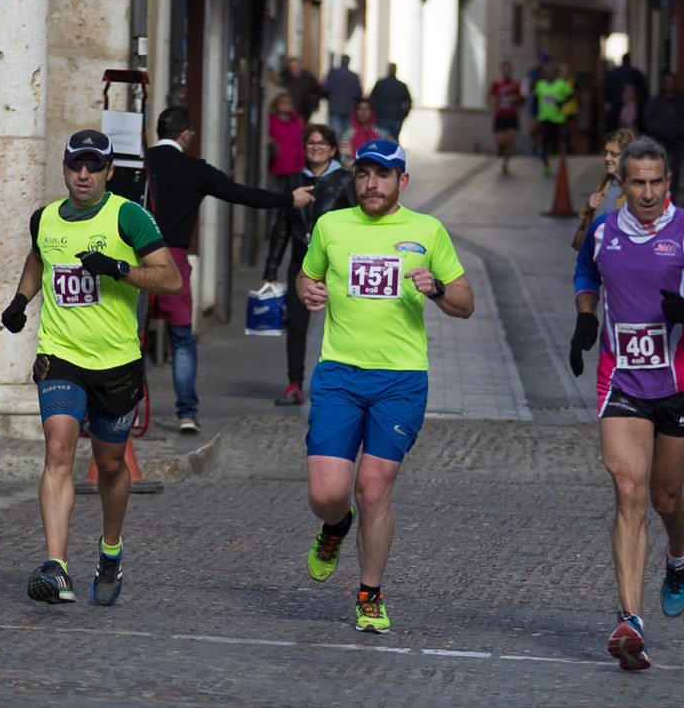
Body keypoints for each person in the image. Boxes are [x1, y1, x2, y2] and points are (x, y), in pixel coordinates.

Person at [570, 136, 684, 670]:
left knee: (665, 499)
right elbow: (586, 272)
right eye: (637, 183)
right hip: (620, 380)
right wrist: (586, 316)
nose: (647, 193)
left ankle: (678, 553)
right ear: (621, 184)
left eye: (656, 182)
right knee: (628, 490)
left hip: (678, 386)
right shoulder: (604, 231)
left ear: (668, 182)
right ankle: (631, 620)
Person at [297, 139, 474, 634]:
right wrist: (308, 290)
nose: (371, 183)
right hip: (339, 375)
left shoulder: (427, 230)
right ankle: (336, 524)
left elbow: (465, 303)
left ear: (402, 181)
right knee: (326, 494)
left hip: (400, 381)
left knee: (373, 489)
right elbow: (306, 277)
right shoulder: (331, 226)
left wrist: (438, 289)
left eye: (382, 175)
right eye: (363, 174)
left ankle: (369, 594)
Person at [0, 130, 183, 606]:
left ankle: (110, 549)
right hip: (60, 354)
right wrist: (20, 300)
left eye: (94, 166)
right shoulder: (44, 218)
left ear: (109, 171)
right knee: (57, 451)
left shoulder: (128, 215)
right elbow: (38, 258)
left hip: (116, 363)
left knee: (110, 464)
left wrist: (118, 269)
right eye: (76, 165)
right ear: (64, 167)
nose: (84, 174)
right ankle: (56, 567)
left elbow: (171, 279)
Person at [144, 106, 314, 433]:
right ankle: (186, 413)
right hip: (172, 260)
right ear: (185, 135)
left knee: (129, 336)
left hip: (134, 256)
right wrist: (287, 199)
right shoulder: (194, 169)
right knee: (181, 338)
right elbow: (241, 194)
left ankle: (123, 411)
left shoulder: (140, 163)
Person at [263, 124, 357, 406]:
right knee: (296, 324)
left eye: (322, 143)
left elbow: (358, 223)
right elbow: (281, 226)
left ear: (332, 148)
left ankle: (348, 385)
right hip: (301, 264)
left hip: (337, 266)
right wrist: (270, 270)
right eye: (310, 143)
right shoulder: (294, 180)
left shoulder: (345, 180)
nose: (316, 147)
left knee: (345, 322)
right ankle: (294, 384)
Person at [572, 128, 636, 250]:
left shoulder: (638, 188)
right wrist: (590, 206)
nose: (607, 158)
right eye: (605, 153)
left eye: (613, 154)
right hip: (597, 254)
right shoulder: (606, 181)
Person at [644, 73, 684, 197]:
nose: (669, 85)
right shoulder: (656, 101)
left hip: (677, 140)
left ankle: (672, 197)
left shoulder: (683, 102)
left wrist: (682, 128)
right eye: (667, 82)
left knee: (675, 171)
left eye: (672, 82)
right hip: (659, 140)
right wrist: (656, 129)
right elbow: (647, 118)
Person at [533, 63, 573, 176]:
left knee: (555, 139)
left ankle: (555, 150)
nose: (549, 75)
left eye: (551, 73)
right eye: (547, 73)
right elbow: (535, 98)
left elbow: (570, 94)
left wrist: (562, 102)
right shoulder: (540, 84)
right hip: (544, 117)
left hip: (557, 118)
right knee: (545, 140)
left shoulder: (561, 84)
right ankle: (545, 163)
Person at [489, 60, 523, 175]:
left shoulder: (516, 84)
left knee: (510, 138)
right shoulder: (497, 84)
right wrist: (492, 107)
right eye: (505, 71)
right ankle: (501, 151)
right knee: (500, 140)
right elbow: (489, 96)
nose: (507, 73)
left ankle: (506, 163)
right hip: (500, 116)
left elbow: (521, 99)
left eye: (509, 71)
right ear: (502, 71)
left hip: (511, 115)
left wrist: (516, 100)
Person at [267, 92, 306, 192]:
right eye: (282, 102)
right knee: (275, 197)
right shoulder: (270, 120)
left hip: (295, 166)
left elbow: (303, 140)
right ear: (276, 105)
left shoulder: (298, 121)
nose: (285, 105)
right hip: (276, 166)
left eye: (288, 102)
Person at [338, 98, 392, 170]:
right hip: (356, 173)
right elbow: (344, 158)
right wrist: (362, 169)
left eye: (366, 109)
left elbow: (393, 152)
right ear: (355, 112)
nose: (363, 113)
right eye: (360, 109)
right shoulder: (348, 135)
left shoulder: (381, 134)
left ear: (372, 112)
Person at [603, 54, 648, 133]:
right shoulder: (636, 73)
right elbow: (644, 92)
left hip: (617, 106)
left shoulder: (614, 73)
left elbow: (606, 91)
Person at [322, 55, 363, 140]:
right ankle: (344, 147)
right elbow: (358, 94)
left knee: (334, 133)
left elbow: (325, 89)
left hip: (334, 107)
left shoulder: (333, 73)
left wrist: (330, 98)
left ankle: (335, 147)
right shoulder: (353, 76)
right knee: (346, 134)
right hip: (348, 108)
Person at [368, 63, 412, 141]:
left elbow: (371, 99)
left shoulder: (380, 84)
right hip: (396, 116)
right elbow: (409, 102)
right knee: (394, 140)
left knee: (383, 139)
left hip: (382, 115)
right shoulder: (402, 85)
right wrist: (405, 113)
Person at [522, 54, 549, 156]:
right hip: (534, 102)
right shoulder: (533, 72)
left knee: (541, 128)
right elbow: (525, 85)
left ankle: (540, 147)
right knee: (533, 128)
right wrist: (524, 96)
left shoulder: (550, 73)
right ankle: (534, 144)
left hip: (545, 104)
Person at [281, 57, 322, 123]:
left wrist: (313, 106)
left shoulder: (308, 77)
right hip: (288, 109)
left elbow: (317, 92)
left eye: (295, 67)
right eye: (291, 68)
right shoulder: (284, 76)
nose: (293, 70)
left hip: (304, 109)